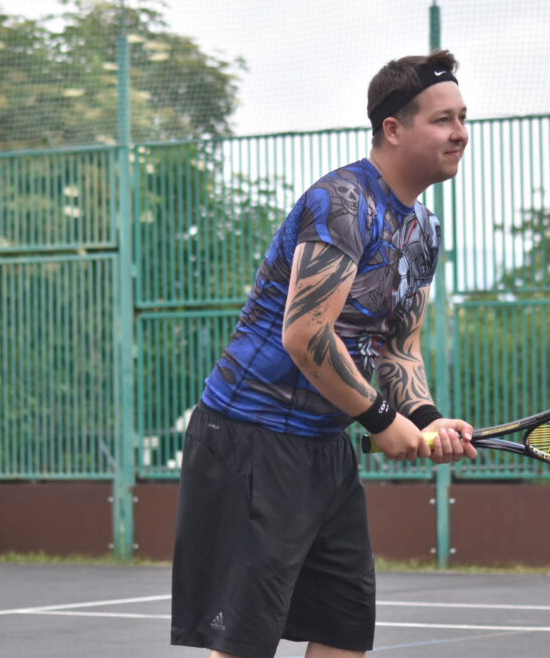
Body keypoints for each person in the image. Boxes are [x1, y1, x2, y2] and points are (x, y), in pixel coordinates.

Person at [170, 50, 478, 658]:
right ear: (393, 128)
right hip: (250, 438)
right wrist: (381, 420)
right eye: (443, 119)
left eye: (464, 118)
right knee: (244, 644)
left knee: (343, 634)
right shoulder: (342, 203)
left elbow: (400, 347)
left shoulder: (424, 230)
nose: (461, 133)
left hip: (324, 447)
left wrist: (425, 419)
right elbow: (306, 334)